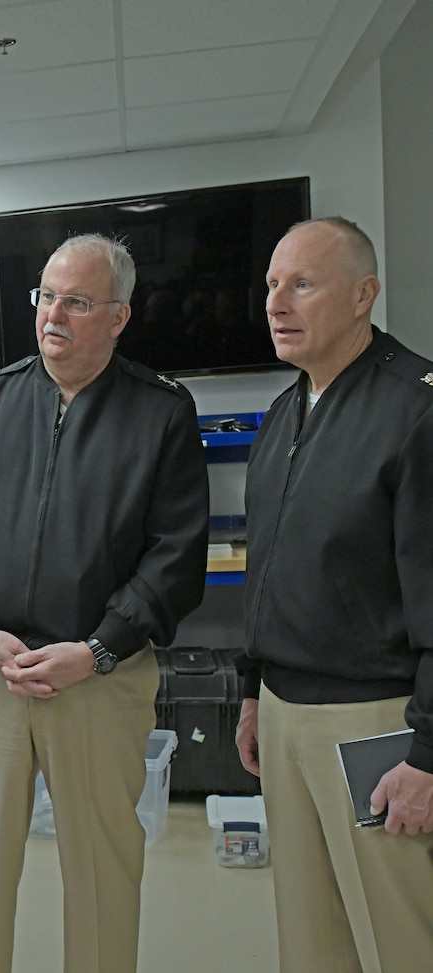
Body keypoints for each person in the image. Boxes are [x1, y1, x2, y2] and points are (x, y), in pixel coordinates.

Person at [0, 233, 209, 973]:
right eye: (46, 296)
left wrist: (100, 647)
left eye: (77, 302)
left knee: (104, 876)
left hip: (99, 680)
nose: (54, 314)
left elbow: (175, 558)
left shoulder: (162, 412)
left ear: (118, 315)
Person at [237, 216, 433, 972]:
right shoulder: (287, 412)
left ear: (364, 294)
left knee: (399, 937)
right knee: (311, 939)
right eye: (271, 286)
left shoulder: (413, 411)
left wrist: (428, 751)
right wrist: (254, 692)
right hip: (286, 716)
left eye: (303, 284)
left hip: (376, 728)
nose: (276, 302)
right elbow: (272, 568)